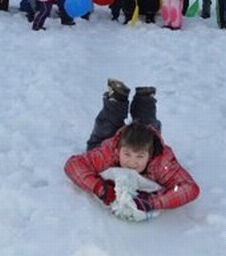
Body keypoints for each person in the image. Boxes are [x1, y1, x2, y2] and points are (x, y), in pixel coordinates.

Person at [64, 79, 200, 219]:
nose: (132, 162)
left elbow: (189, 188)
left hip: (144, 136)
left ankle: (145, 99)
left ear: (150, 154)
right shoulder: (108, 152)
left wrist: (151, 202)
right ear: (118, 150)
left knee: (148, 123)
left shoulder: (161, 162)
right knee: (106, 126)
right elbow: (73, 165)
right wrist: (100, 188)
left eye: (140, 157)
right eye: (127, 154)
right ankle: (116, 99)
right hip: (108, 141)